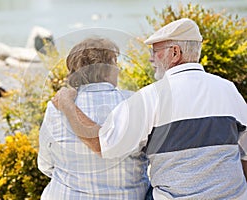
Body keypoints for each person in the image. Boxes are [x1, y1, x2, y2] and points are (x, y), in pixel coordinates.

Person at [52, 18, 247, 199]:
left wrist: (67, 104)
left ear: (175, 53)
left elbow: (102, 144)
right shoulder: (228, 89)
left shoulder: (150, 97)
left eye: (155, 52)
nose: (151, 59)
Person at [38, 37, 151, 199]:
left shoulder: (56, 107)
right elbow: (150, 157)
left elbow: (45, 164)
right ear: (105, 70)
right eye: (115, 63)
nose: (118, 69)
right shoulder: (136, 103)